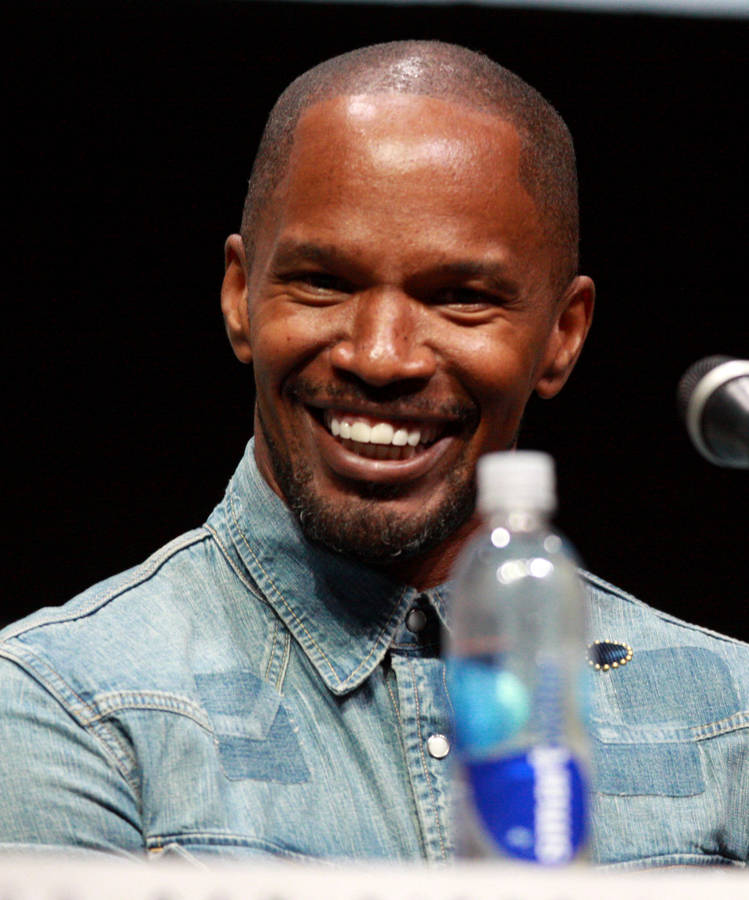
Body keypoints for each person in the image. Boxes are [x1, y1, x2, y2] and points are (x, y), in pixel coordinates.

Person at [0, 41, 747, 867]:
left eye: (460, 297)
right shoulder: (60, 703)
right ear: (239, 298)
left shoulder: (732, 720)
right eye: (322, 282)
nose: (381, 356)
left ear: (561, 336)